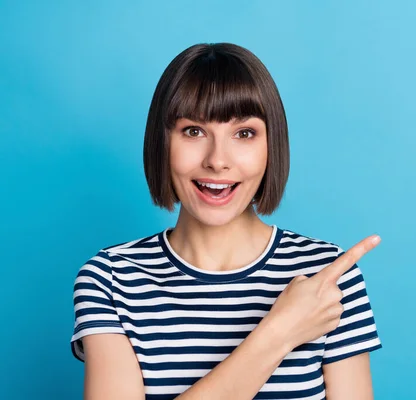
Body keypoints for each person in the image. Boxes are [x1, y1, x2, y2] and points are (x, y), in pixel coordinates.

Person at [70, 42, 383, 400]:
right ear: (162, 143)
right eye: (193, 131)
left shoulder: (326, 276)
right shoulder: (111, 278)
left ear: (271, 145)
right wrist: (279, 333)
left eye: (244, 133)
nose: (218, 161)